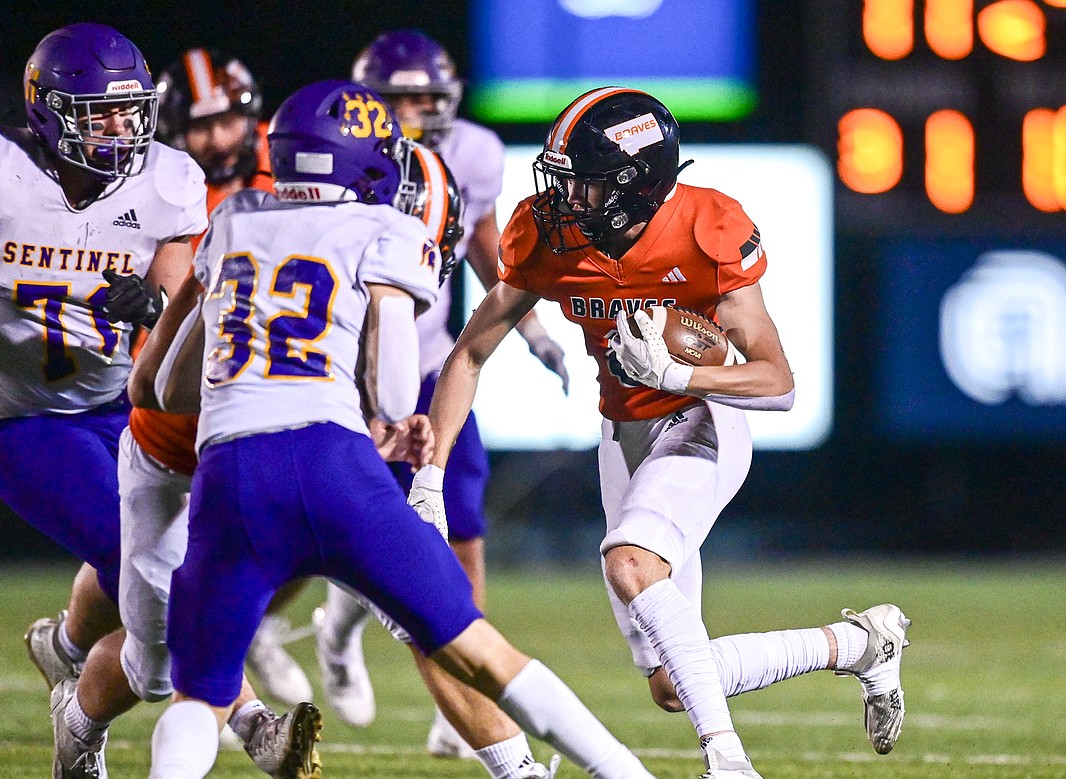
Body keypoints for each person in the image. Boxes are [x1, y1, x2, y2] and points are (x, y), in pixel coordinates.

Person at [141, 78, 657, 779]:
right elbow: (389, 387)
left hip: (232, 472)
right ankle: (624, 774)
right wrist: (393, 422)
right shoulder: (386, 225)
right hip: (332, 464)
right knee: (480, 649)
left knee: (200, 694)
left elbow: (169, 387)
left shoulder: (231, 218)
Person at [413, 86, 912, 778]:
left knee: (629, 563)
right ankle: (858, 644)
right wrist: (430, 475)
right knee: (672, 683)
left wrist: (683, 377)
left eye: (581, 186)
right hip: (622, 433)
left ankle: (729, 760)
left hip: (700, 421)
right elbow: (467, 354)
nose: (563, 200)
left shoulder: (708, 227)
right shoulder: (546, 234)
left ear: (632, 186)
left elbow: (777, 380)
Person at [0, 20, 209, 778]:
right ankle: (236, 716)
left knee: (180, 557)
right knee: (159, 570)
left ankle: (67, 658)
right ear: (47, 112)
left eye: (130, 110)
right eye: (98, 112)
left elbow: (175, 295)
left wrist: (152, 308)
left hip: (125, 407)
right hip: (25, 417)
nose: (119, 128)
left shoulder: (169, 180)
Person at [313, 28, 571, 758]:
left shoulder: (474, 155)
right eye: (402, 99)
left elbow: (487, 242)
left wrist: (534, 331)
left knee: (459, 526)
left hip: (424, 366)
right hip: (329, 374)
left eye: (431, 96)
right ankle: (333, 630)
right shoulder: (334, 153)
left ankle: (471, 685)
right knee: (321, 531)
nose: (420, 110)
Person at [129, 45, 313, 712]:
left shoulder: (293, 156)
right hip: (185, 384)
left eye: (227, 121)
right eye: (199, 126)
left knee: (295, 525)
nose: (216, 138)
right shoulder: (167, 187)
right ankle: (70, 642)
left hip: (279, 371)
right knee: (146, 561)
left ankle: (252, 625)